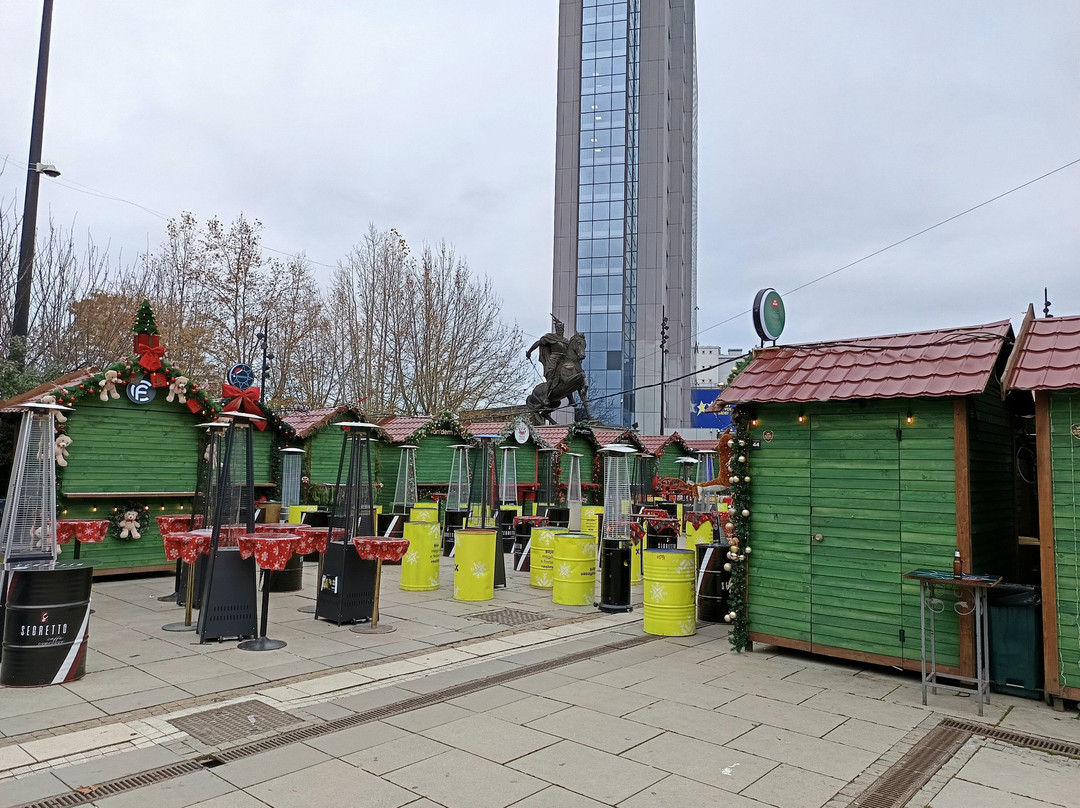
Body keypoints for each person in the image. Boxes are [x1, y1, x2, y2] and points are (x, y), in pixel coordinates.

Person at [526, 317, 570, 385]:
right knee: (551, 376)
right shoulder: (551, 337)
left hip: (564, 360)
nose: (561, 330)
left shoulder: (566, 341)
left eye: (562, 329)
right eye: (559, 329)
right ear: (556, 329)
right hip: (553, 360)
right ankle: (548, 387)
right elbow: (538, 343)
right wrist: (529, 352)